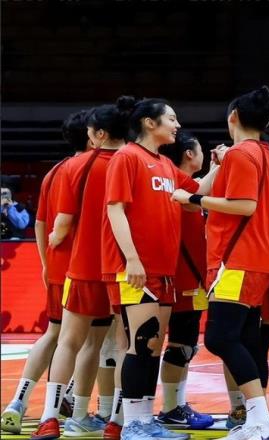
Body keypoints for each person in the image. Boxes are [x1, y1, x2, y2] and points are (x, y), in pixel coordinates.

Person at [173, 86, 269, 440]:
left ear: (232, 117)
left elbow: (243, 205)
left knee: (220, 339)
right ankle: (257, 420)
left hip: (237, 259)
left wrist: (194, 198)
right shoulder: (263, 153)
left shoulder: (241, 154)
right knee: (247, 339)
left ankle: (261, 419)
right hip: (257, 258)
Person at [102, 96, 216, 440]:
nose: (177, 125)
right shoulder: (127, 157)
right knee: (141, 344)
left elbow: (198, 193)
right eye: (171, 119)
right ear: (149, 123)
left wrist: (222, 163)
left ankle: (145, 420)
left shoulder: (165, 164)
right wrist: (132, 259)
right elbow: (115, 209)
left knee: (152, 345)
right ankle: (133, 424)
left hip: (164, 271)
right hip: (138, 269)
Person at [30, 103, 126, 439]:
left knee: (69, 342)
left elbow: (60, 224)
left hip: (83, 268)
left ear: (99, 133)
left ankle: (50, 418)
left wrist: (55, 242)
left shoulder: (76, 165)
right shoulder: (136, 162)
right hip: (123, 268)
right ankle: (116, 421)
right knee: (121, 346)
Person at [1, 111, 89, 434]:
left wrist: (45, 264)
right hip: (86, 268)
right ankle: (72, 403)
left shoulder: (54, 171)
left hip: (57, 266)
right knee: (94, 341)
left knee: (54, 333)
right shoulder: (91, 168)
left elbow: (40, 223)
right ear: (94, 135)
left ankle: (17, 402)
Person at [157, 130, 214, 429]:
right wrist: (221, 165)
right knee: (179, 346)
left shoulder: (177, 181)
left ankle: (175, 405)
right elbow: (201, 190)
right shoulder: (177, 181)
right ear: (190, 154)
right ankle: (171, 407)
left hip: (190, 278)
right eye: (201, 149)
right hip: (181, 279)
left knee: (183, 346)